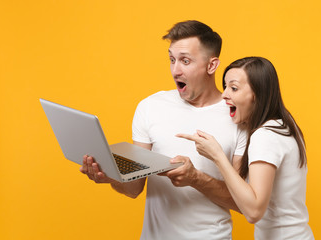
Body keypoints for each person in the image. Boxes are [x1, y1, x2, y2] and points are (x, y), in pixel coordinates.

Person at [80, 20, 247, 239]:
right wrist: (109, 177)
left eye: (185, 61)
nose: (175, 70)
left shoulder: (238, 115)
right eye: (172, 59)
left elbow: (243, 203)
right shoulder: (150, 107)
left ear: (211, 65)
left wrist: (196, 178)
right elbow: (134, 188)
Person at [177, 56, 314, 239]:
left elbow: (254, 211)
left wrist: (217, 155)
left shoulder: (265, 136)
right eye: (225, 86)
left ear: (256, 95)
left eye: (234, 88)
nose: (225, 94)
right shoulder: (285, 126)